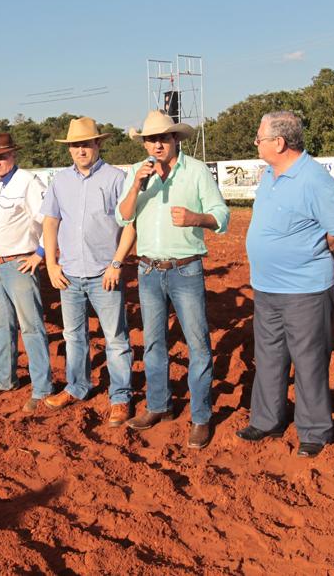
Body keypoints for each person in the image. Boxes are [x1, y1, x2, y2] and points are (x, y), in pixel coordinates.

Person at [238, 111, 334, 457]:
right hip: (266, 286)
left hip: (305, 288)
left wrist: (315, 252)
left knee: (308, 359)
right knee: (269, 355)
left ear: (279, 142)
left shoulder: (314, 179)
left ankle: (315, 430)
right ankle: (267, 419)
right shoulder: (269, 175)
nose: (255, 142)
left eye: (259, 137)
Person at [116, 110, 229, 449]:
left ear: (175, 139)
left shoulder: (195, 171)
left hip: (186, 268)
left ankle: (200, 417)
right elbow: (124, 217)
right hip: (148, 269)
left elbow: (222, 215)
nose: (157, 144)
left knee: (198, 345)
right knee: (153, 344)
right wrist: (137, 184)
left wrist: (197, 218)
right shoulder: (138, 175)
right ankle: (157, 406)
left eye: (163, 138)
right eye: (151, 139)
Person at [41, 117, 136, 426]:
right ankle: (77, 386)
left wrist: (117, 263)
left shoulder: (115, 178)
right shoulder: (60, 181)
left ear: (98, 144)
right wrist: (52, 263)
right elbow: (51, 222)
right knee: (73, 335)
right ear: (69, 149)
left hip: (104, 272)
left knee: (116, 338)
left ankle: (120, 397)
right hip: (68, 273)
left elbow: (129, 225)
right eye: (75, 145)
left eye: (86, 143)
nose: (80, 150)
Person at [0, 132, 53, 412]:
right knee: (0, 326)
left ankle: (42, 387)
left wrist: (41, 254)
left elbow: (49, 221)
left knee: (31, 327)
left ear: (13, 156)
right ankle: (5, 378)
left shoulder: (27, 183)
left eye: (1, 156)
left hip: (20, 263)